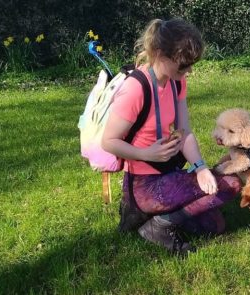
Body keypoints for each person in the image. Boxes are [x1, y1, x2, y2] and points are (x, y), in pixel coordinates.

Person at [102, 18, 242, 256]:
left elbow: (184, 131)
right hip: (144, 184)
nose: (189, 70)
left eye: (191, 65)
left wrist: (200, 167)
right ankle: (157, 225)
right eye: (184, 65)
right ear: (159, 54)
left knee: (215, 226)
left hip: (170, 173)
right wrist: (145, 153)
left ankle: (156, 216)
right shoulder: (136, 88)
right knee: (231, 184)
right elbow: (108, 141)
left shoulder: (177, 82)